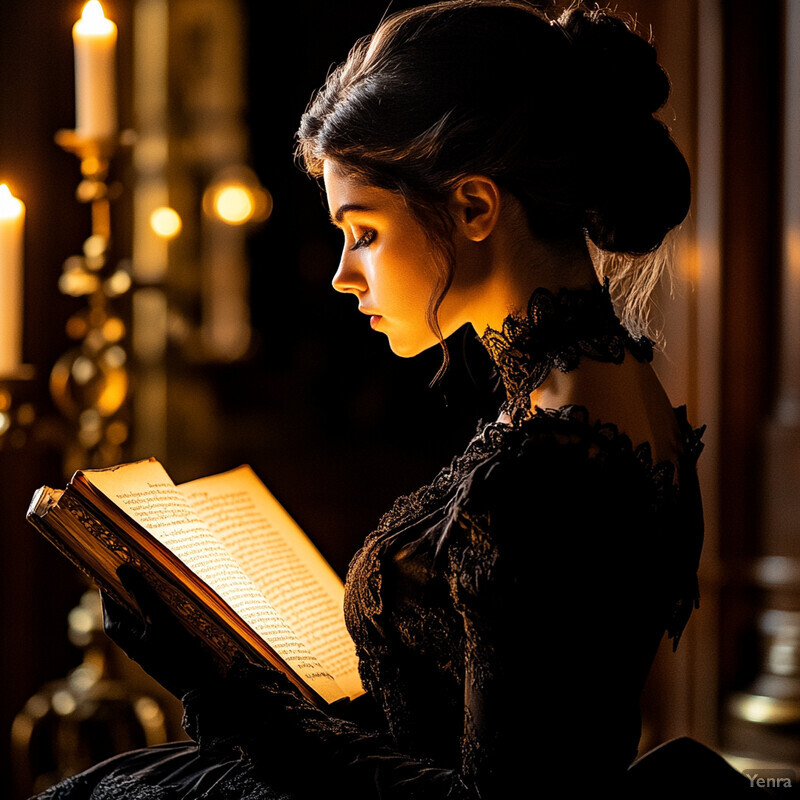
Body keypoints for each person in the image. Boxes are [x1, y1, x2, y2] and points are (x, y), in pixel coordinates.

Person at [33, 1, 759, 798]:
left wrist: (227, 687)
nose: (345, 272)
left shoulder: (551, 464)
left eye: (365, 232)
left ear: (476, 207)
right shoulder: (584, 400)